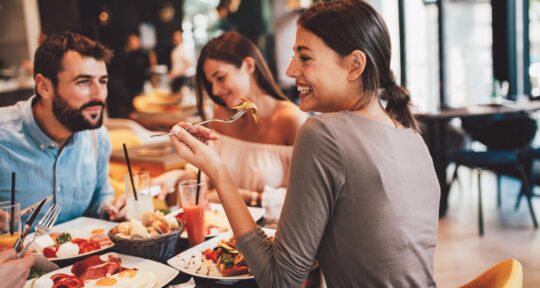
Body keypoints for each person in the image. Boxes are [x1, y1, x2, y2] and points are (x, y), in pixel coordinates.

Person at [168, 1, 440, 287]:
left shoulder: (323, 133)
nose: (289, 70)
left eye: (305, 57)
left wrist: (218, 172)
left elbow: (279, 280)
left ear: (354, 65)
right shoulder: (411, 134)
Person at [154, 32, 307, 219]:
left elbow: (305, 202)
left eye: (220, 77)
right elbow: (209, 176)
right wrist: (178, 176)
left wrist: (238, 196)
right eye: (211, 83)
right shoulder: (222, 115)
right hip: (222, 233)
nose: (216, 91)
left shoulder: (291, 120)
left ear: (249, 65)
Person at [0, 31, 126, 223]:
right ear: (44, 87)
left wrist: (113, 208)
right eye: (84, 82)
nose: (99, 94)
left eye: (103, 81)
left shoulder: (97, 137)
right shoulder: (3, 136)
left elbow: (99, 199)